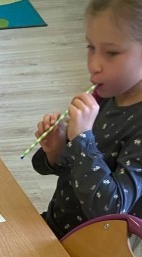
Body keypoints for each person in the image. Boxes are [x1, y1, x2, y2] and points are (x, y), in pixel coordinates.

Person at [32, 0, 142, 238]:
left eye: (111, 53)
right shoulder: (105, 96)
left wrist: (81, 140)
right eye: (91, 47)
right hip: (58, 230)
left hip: (96, 252)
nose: (93, 65)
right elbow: (57, 171)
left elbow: (110, 211)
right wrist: (56, 150)